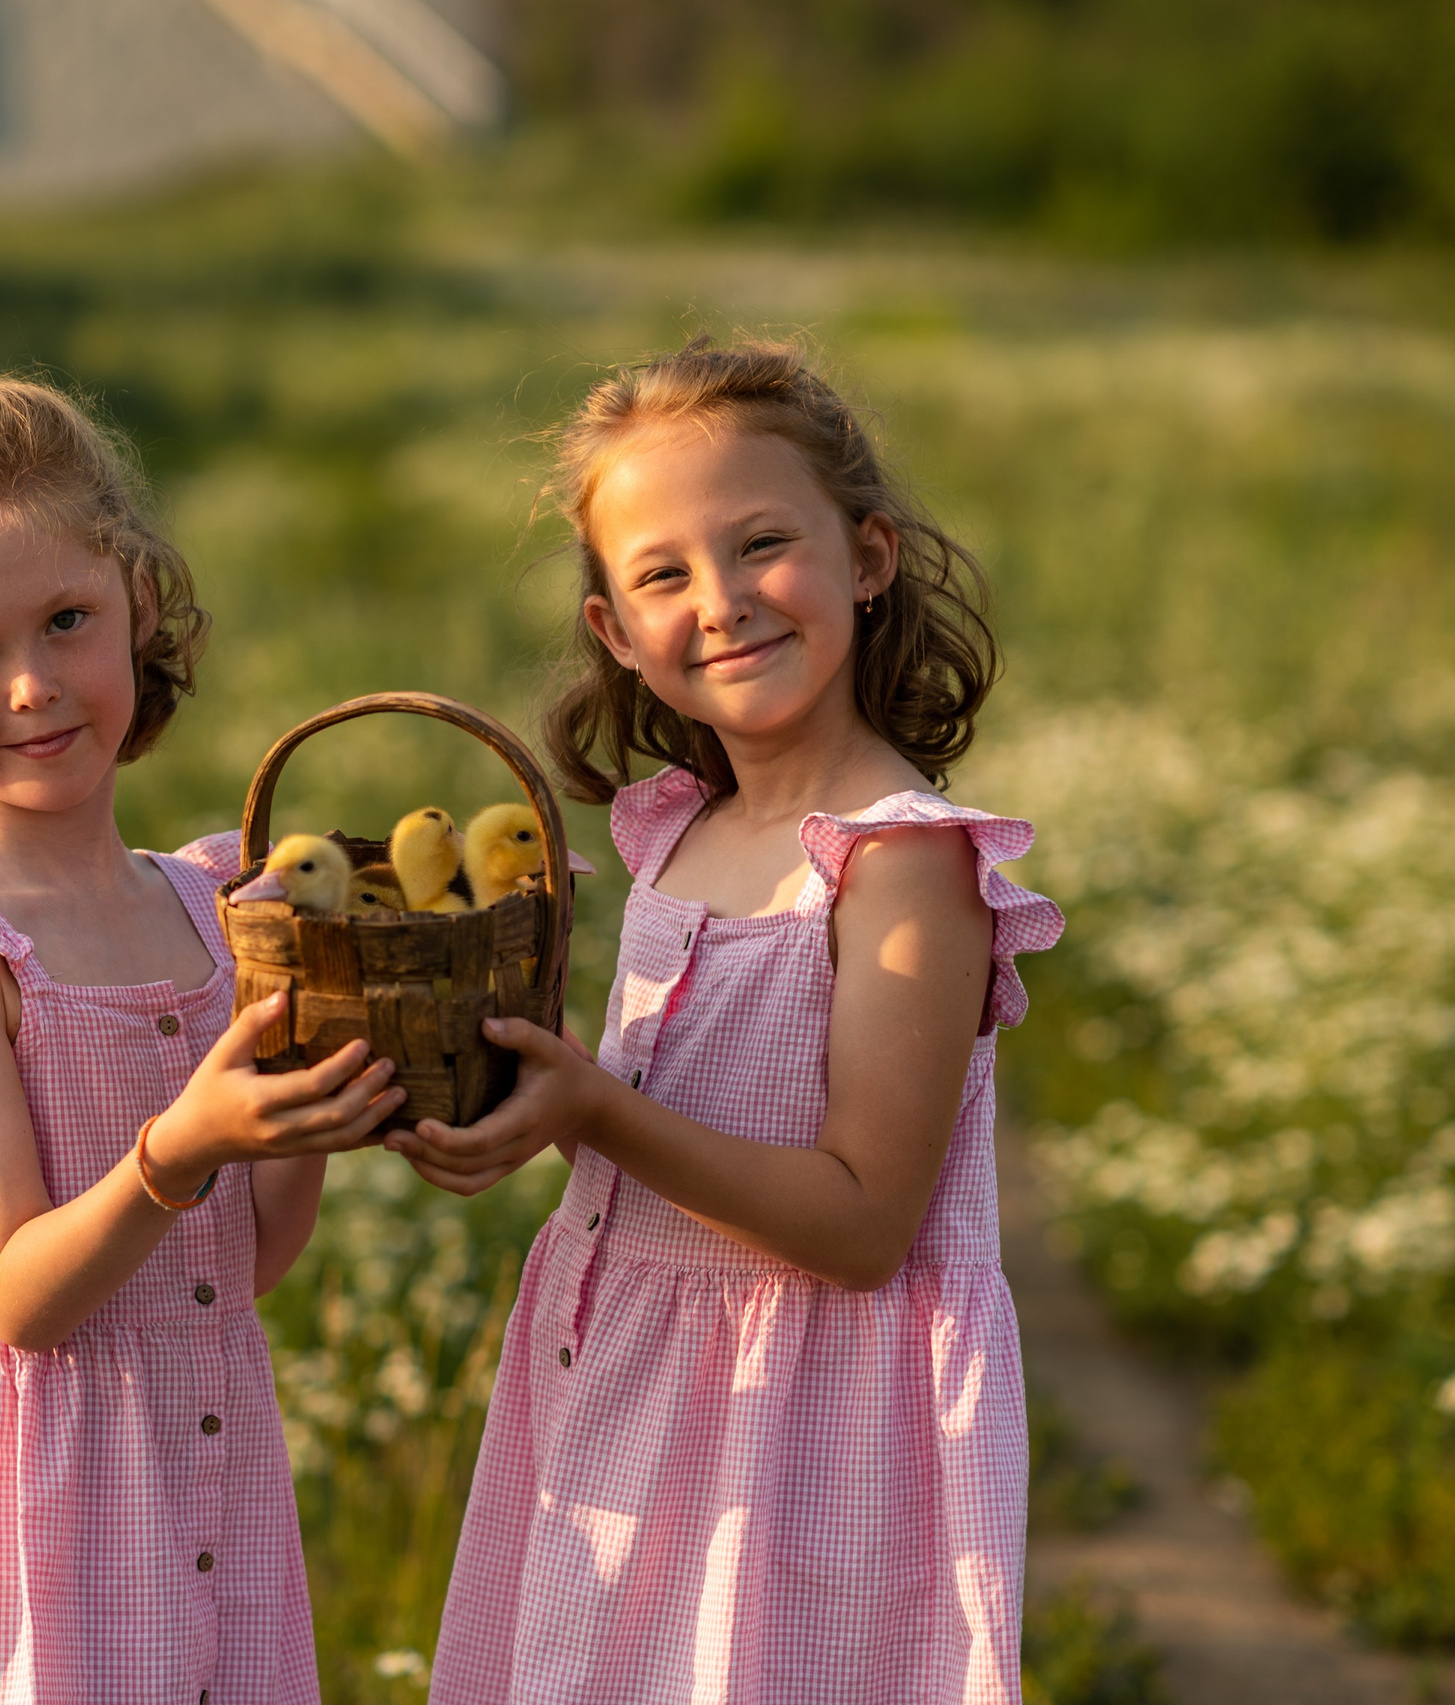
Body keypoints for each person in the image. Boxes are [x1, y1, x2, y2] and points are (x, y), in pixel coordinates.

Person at [395, 339, 1064, 1702]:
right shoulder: (678, 835)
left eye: (763, 543)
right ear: (614, 633)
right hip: (633, 1388)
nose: (721, 602)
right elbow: (656, 1138)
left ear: (869, 556)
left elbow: (864, 1219)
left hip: (804, 1432)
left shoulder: (900, 864)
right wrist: (525, 1112)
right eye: (663, 574)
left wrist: (594, 1108)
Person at [0, 377, 399, 1704]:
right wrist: (180, 1147)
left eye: (66, 621)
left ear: (137, 604)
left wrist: (308, 1101)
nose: (34, 684)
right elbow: (21, 1297)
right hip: (5, 1506)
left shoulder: (213, 909)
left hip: (188, 1475)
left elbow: (248, 1259)